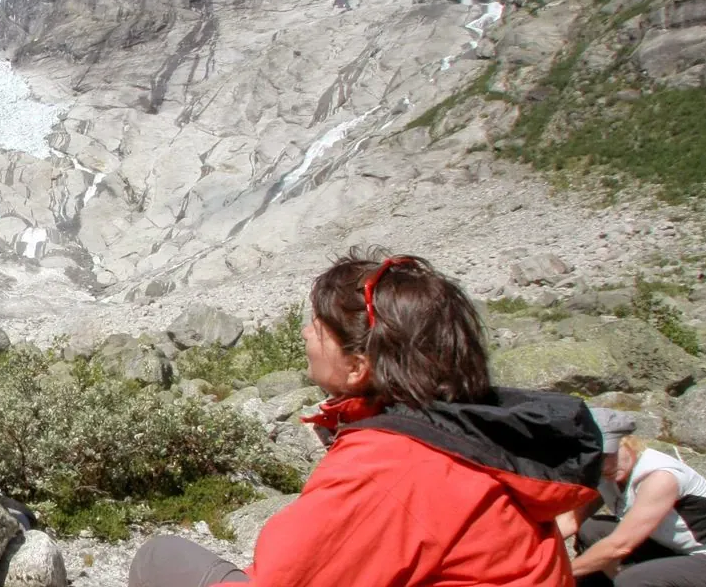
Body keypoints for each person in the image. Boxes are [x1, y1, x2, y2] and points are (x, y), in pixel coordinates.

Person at [130, 251, 604, 587]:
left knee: (160, 557)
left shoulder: (392, 466)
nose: (303, 333)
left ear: (359, 367)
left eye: (317, 327)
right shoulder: (464, 430)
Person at [560, 409, 706, 587]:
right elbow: (570, 521)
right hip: (683, 555)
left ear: (628, 442)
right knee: (593, 529)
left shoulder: (660, 476)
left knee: (633, 580)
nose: (605, 466)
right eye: (596, 458)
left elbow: (620, 545)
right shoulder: (603, 474)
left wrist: (555, 576)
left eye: (610, 455)